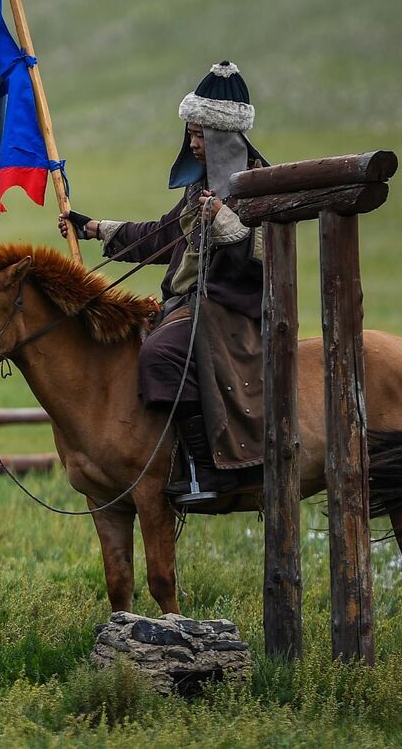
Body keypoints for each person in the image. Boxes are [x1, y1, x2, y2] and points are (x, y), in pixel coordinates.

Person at [59, 62, 268, 511]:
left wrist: (226, 220)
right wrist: (96, 228)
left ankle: (204, 470)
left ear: (225, 136)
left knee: (159, 354)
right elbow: (163, 235)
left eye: (201, 135)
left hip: (230, 311)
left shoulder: (258, 186)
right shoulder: (199, 190)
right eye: (190, 133)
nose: (193, 143)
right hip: (186, 304)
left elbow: (266, 257)